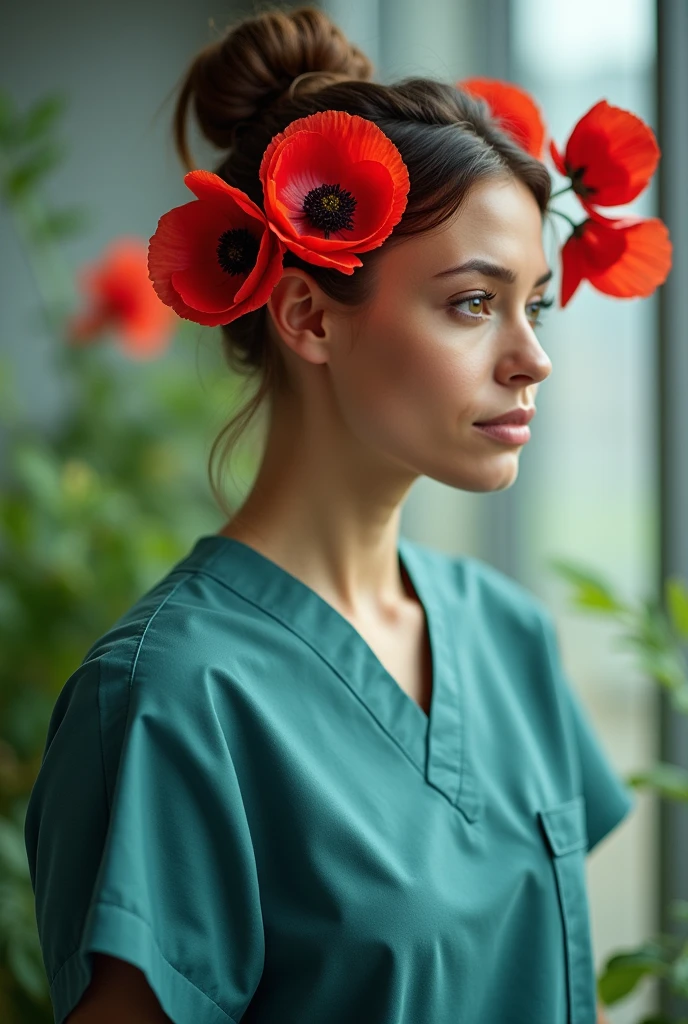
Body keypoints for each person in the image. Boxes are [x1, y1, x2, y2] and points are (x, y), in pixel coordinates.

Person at [23, 7, 639, 1023]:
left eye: (539, 303)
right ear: (308, 315)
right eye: (474, 303)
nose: (533, 357)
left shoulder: (507, 634)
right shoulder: (168, 701)